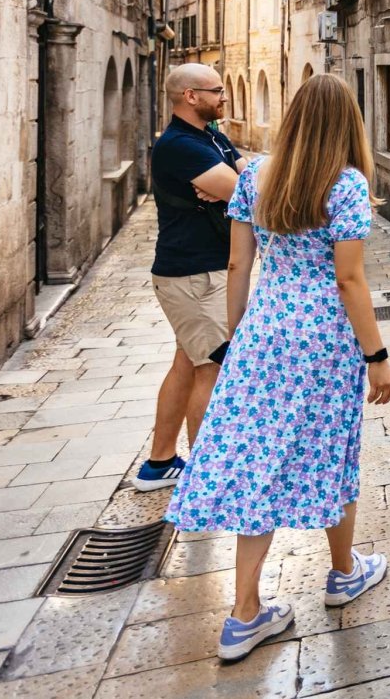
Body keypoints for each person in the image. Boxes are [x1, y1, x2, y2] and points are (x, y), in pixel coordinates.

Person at [165, 74, 390, 662]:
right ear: (347, 123)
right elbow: (349, 279)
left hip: (264, 327)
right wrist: (378, 357)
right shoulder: (346, 184)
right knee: (334, 447)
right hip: (323, 337)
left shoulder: (257, 176)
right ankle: (343, 573)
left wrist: (237, 335)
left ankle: (244, 612)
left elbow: (238, 265)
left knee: (256, 456)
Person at [133, 63, 246, 491]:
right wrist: (235, 187)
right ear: (191, 96)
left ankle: (160, 463)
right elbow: (250, 192)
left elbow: (248, 177)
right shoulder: (180, 146)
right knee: (213, 368)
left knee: (188, 364)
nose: (224, 96)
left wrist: (234, 185)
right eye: (217, 90)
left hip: (200, 273)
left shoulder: (211, 137)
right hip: (194, 276)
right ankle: (206, 479)